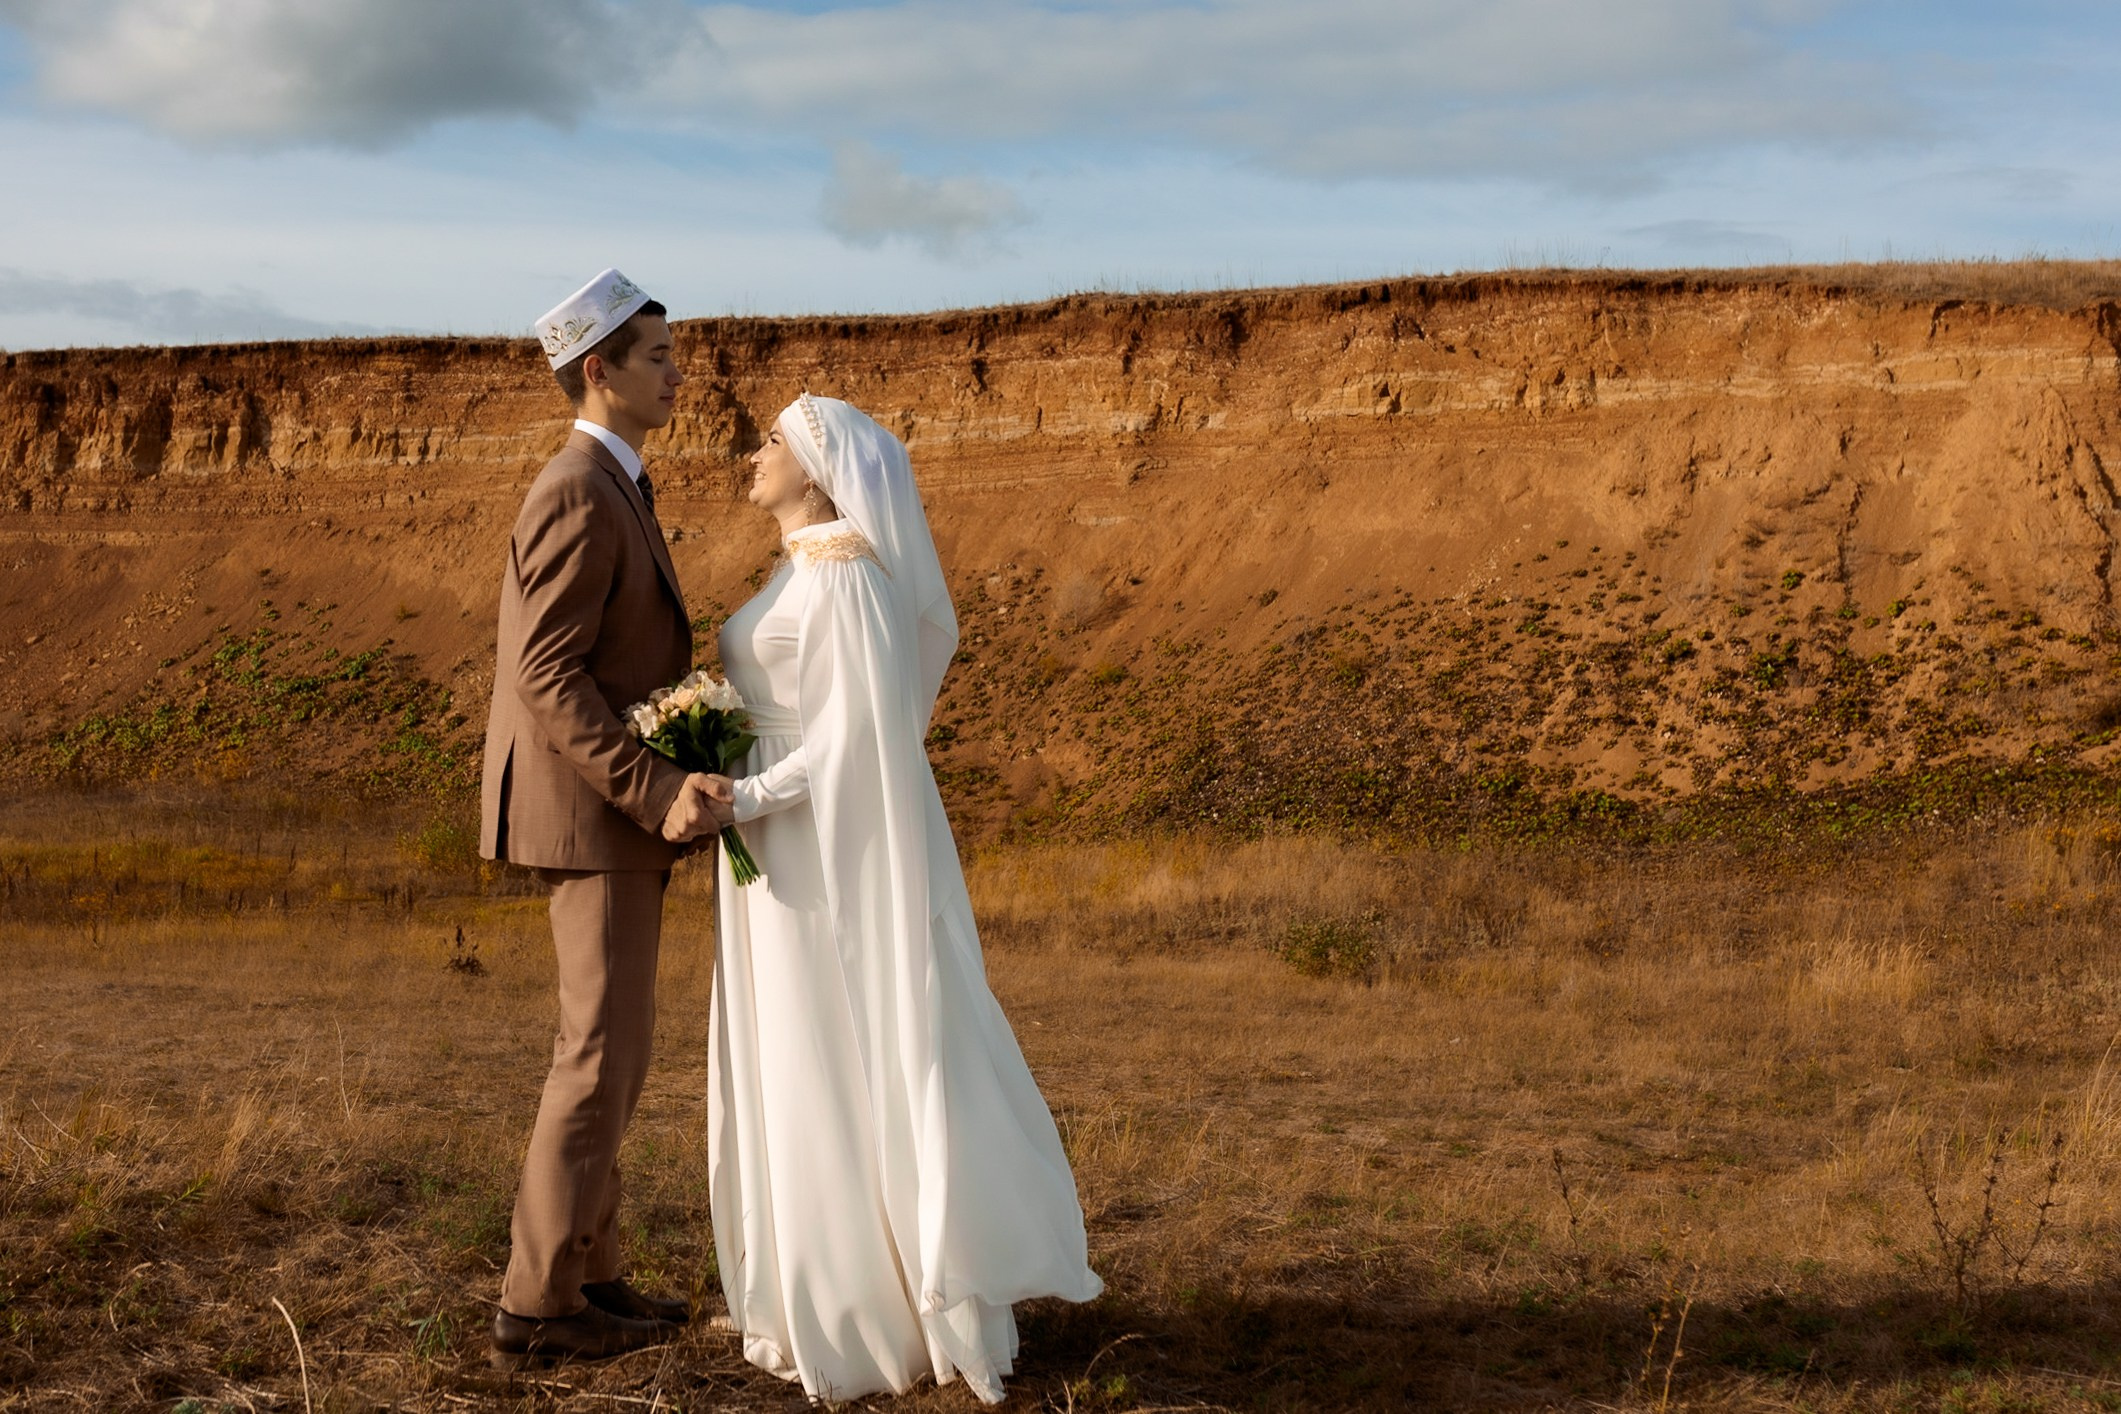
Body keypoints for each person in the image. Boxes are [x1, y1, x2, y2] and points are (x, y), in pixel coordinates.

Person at [700, 393, 1103, 1404]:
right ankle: (803, 1284)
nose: (752, 456)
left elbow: (853, 743)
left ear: (821, 467)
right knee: (792, 1047)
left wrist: (745, 792)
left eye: (773, 444)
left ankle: (867, 1303)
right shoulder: (800, 568)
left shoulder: (846, 577)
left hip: (815, 845)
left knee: (833, 1043)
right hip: (768, 841)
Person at [478, 268, 731, 1369]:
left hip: (608, 818)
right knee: (596, 1052)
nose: (681, 372)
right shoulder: (577, 486)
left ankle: (589, 1266)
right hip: (595, 818)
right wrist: (655, 786)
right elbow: (546, 673)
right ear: (601, 370)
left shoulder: (616, 480)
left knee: (616, 1052)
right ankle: (538, 1305)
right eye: (659, 356)